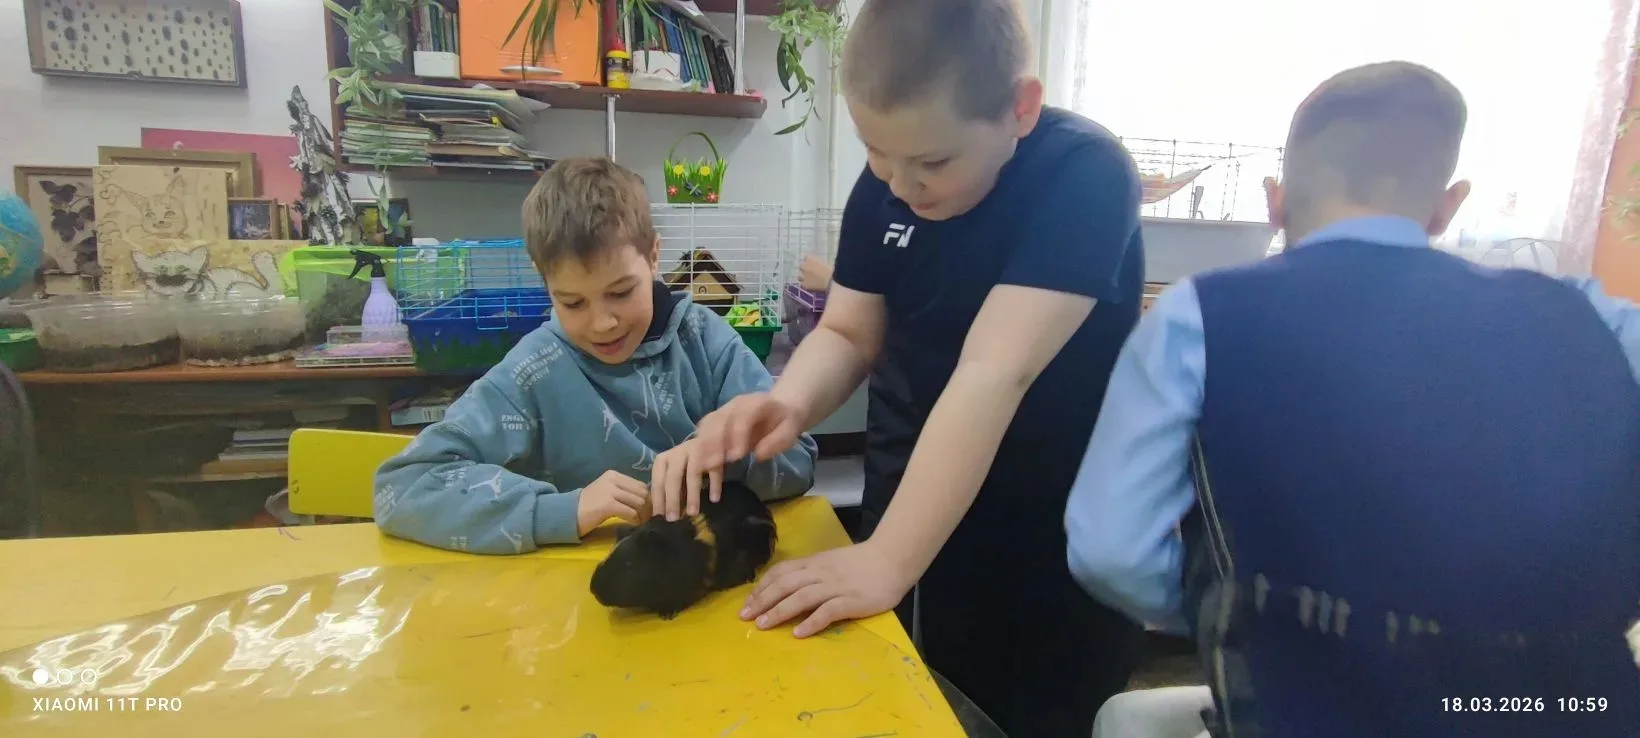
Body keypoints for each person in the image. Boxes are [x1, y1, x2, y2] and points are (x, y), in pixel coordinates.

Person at [1068, 61, 1640, 738]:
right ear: (1447, 206)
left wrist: (1233, 612)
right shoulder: (1597, 319)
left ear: (1275, 201)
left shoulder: (1199, 317)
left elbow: (1110, 550)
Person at [654, 0, 1150, 733]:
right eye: (875, 153)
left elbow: (994, 370)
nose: (899, 187)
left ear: (1020, 109)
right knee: (919, 692)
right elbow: (849, 331)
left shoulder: (1084, 175)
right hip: (918, 486)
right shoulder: (890, 179)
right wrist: (787, 403)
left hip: (1054, 518)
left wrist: (889, 558)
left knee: (1043, 709)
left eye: (932, 163)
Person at [374, 158, 817, 554]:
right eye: (573, 303)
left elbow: (799, 456)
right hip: (576, 591)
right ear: (545, 281)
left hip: (710, 580)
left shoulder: (705, 340)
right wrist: (563, 510)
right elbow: (402, 487)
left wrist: (720, 452)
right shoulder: (532, 371)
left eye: (621, 293)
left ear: (654, 256)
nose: (603, 323)